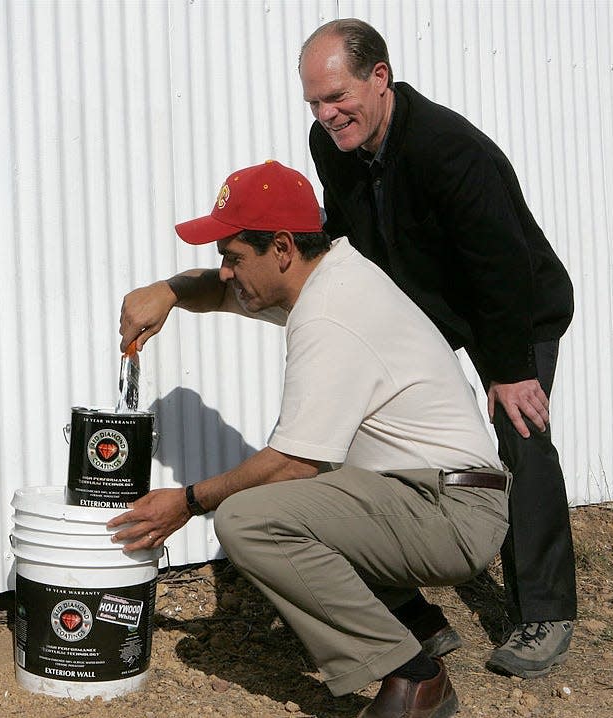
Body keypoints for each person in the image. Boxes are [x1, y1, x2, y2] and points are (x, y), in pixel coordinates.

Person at [109, 159, 510, 717]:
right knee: (284, 491)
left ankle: (415, 679)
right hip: (431, 492)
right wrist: (168, 292)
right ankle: (416, 624)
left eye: (232, 257)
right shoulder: (322, 276)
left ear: (280, 248)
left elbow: (291, 463)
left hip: (452, 510)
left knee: (248, 516)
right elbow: (222, 294)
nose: (224, 272)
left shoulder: (328, 314)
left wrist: (188, 501)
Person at [297, 18, 576, 679]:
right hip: (428, 309)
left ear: (379, 78)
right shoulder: (331, 142)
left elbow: (502, 265)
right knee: (361, 427)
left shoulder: (449, 150)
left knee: (521, 437)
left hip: (514, 308)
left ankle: (545, 611)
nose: (327, 114)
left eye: (337, 96)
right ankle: (413, 614)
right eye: (313, 101)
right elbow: (346, 229)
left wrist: (509, 372)